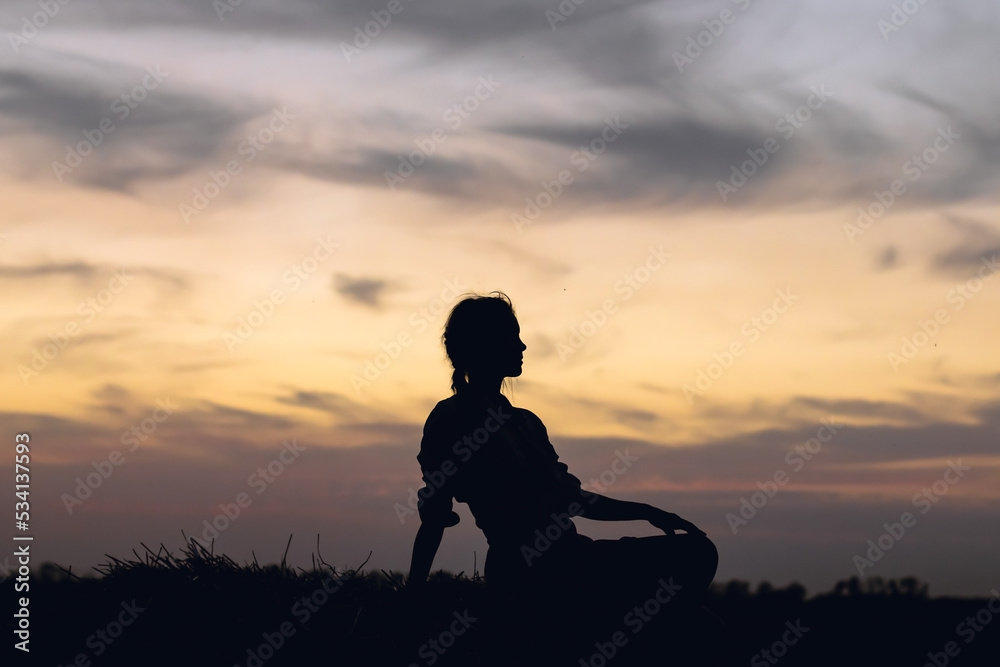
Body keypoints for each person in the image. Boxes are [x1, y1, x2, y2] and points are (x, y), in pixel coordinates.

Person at [406, 292, 720, 664]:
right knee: (692, 616)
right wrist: (412, 597)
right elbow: (435, 514)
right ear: (483, 344)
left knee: (698, 552)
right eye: (512, 336)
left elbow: (573, 500)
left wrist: (649, 511)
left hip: (573, 555)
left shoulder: (526, 423)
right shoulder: (451, 418)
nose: (522, 345)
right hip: (525, 571)